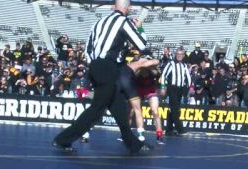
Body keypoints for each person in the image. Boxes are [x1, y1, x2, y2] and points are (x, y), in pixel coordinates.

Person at [53, 0, 151, 154]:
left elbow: (88, 47)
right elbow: (141, 44)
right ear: (128, 8)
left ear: (114, 6)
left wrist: (95, 65)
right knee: (97, 108)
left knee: (119, 107)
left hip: (96, 66)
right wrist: (140, 28)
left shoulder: (99, 22)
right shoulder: (123, 21)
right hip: (108, 68)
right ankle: (63, 139)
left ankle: (133, 144)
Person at [160, 49, 191, 136]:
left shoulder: (184, 65)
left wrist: (189, 87)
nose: (179, 55)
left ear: (184, 55)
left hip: (180, 89)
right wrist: (163, 87)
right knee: (175, 109)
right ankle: (180, 129)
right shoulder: (171, 64)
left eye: (181, 54)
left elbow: (188, 76)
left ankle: (169, 130)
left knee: (172, 109)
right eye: (177, 54)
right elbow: (164, 75)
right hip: (172, 88)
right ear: (175, 55)